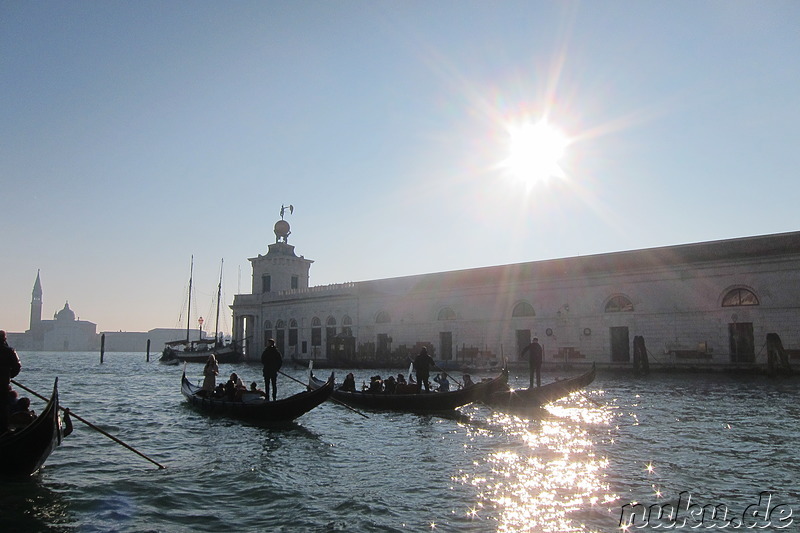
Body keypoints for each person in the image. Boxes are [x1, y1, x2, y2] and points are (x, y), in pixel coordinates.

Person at [0, 330, 22, 434]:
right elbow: (17, 367)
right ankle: (4, 429)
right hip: (3, 383)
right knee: (3, 406)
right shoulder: (10, 351)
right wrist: (9, 376)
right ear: (4, 339)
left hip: (3, 382)